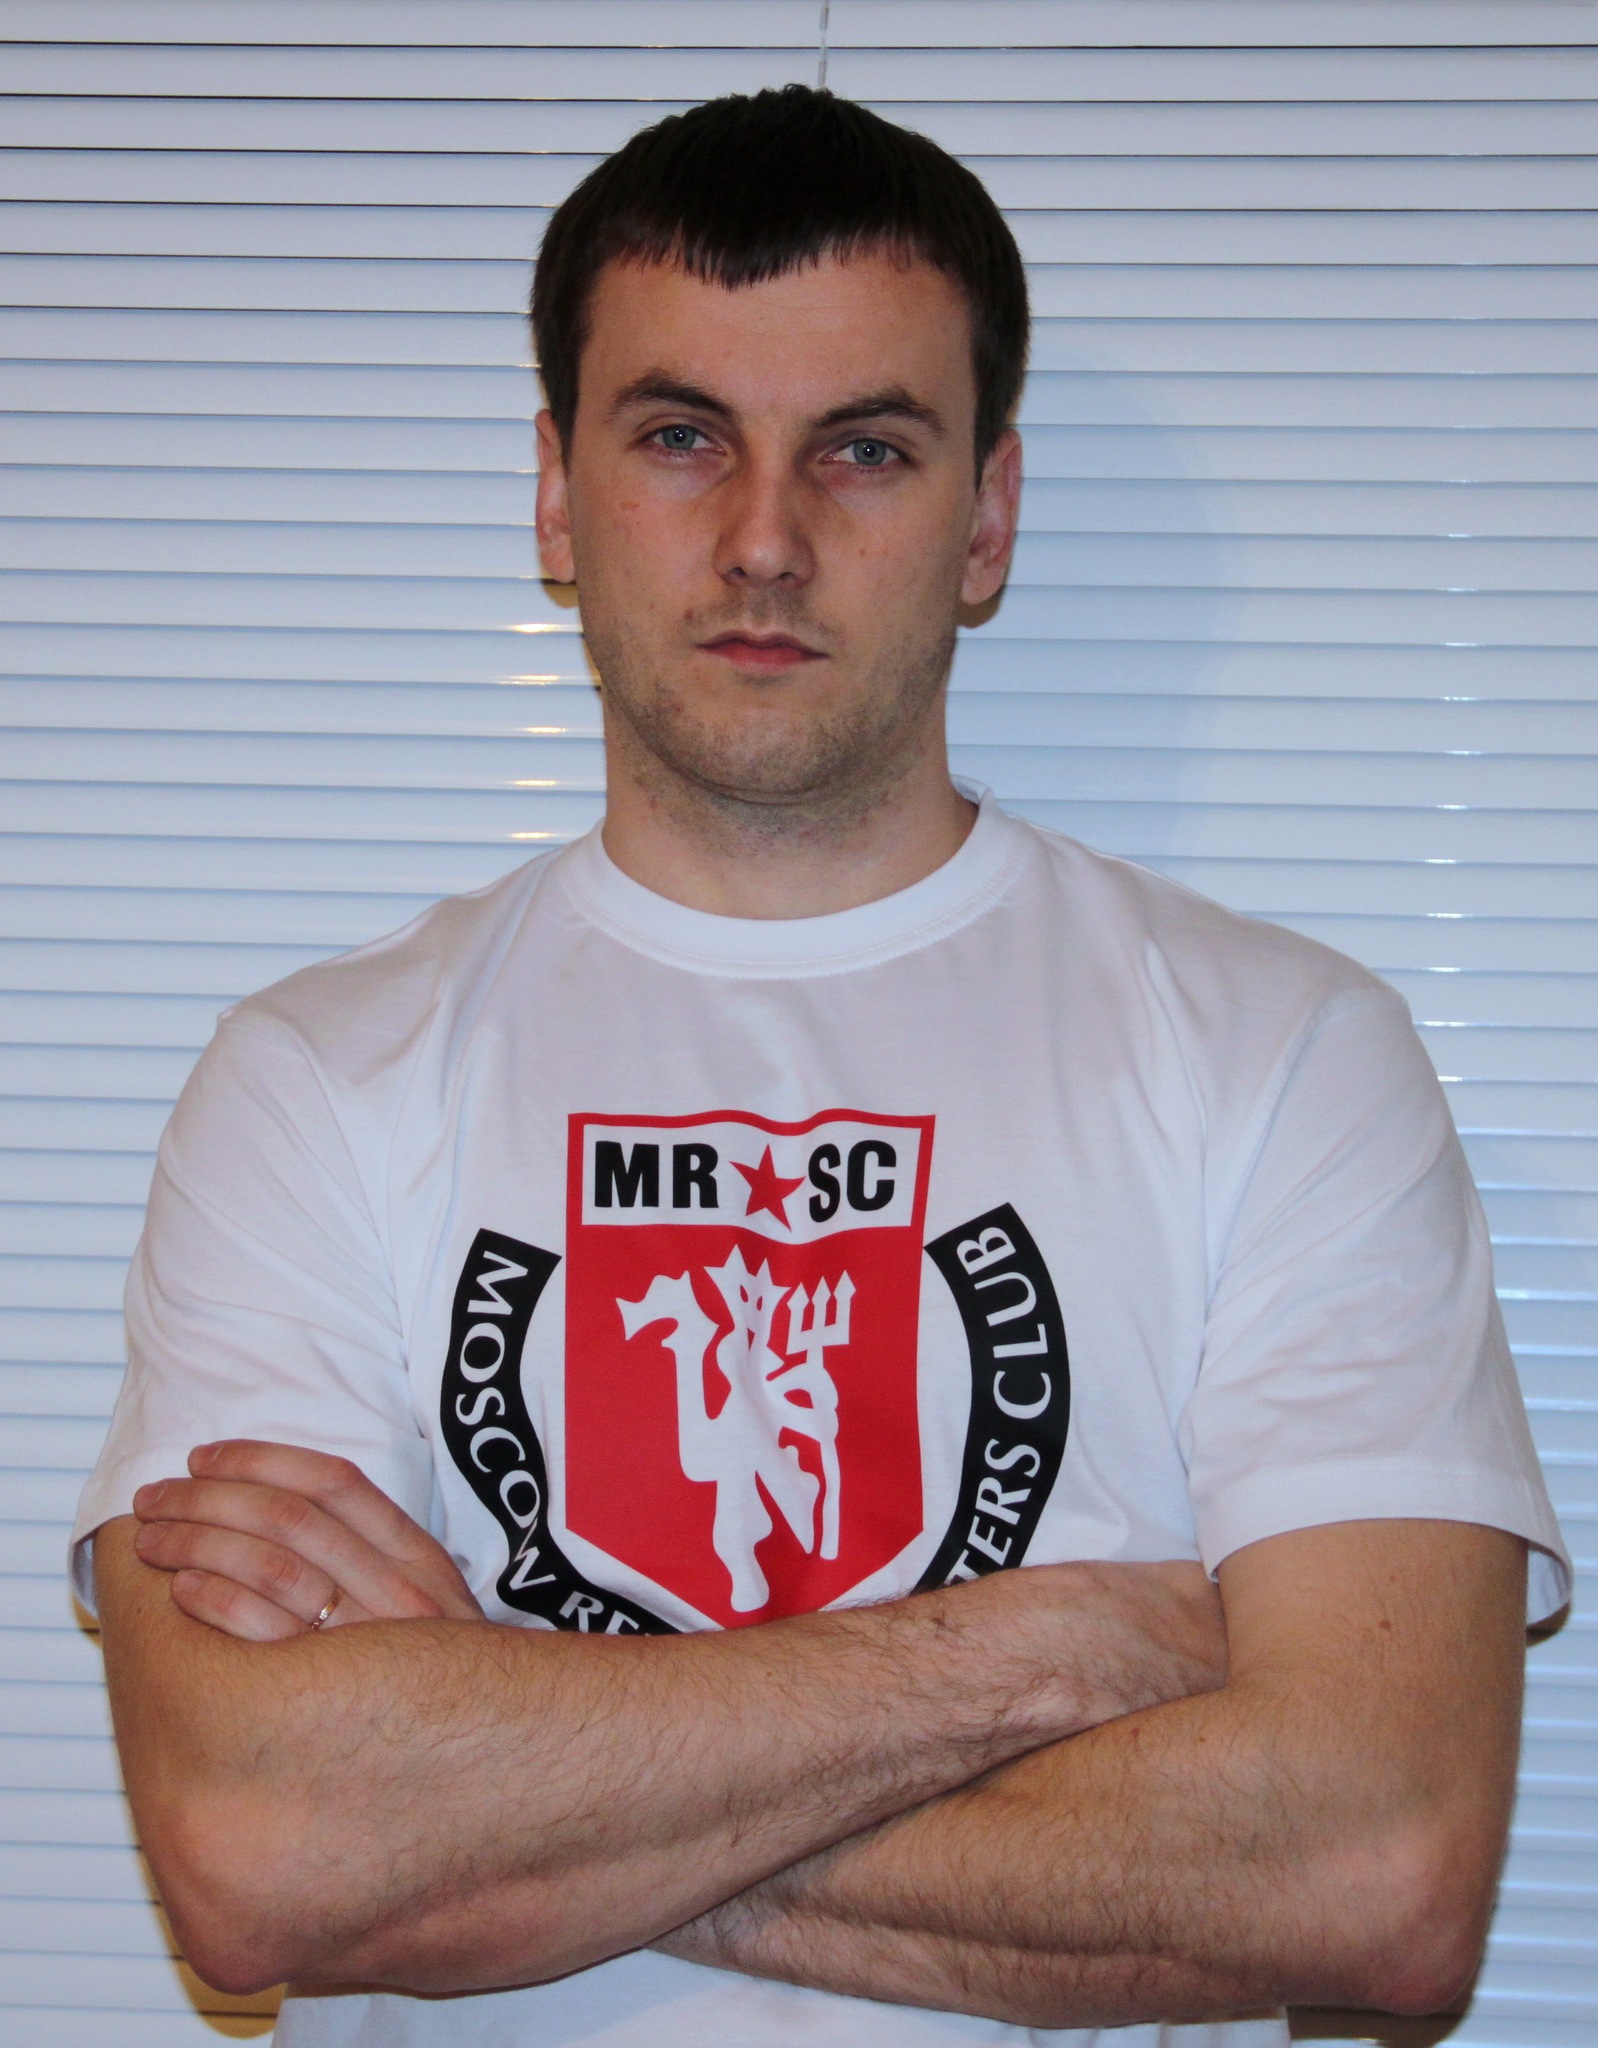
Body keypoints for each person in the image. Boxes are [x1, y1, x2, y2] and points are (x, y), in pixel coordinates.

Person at [77, 85, 1568, 2048]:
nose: (764, 540)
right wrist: (1037, 1656)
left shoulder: (1281, 1056)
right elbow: (262, 1849)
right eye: (680, 435)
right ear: (555, 493)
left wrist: (499, 1759)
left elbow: (1374, 1875)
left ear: (987, 516)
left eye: (863, 448)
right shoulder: (317, 1079)